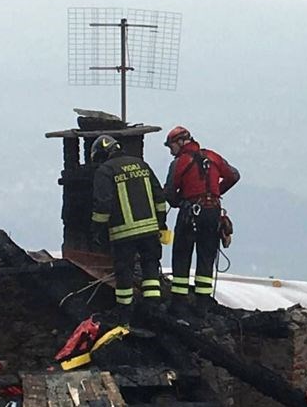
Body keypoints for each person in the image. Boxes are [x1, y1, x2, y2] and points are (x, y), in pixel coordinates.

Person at [90, 134, 167, 323]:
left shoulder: (105, 171)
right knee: (150, 269)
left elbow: (103, 205)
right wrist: (161, 223)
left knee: (124, 273)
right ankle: (153, 310)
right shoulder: (141, 165)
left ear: (102, 153)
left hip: (123, 233)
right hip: (150, 230)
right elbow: (160, 197)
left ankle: (124, 313)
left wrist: (96, 230)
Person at [163, 126, 239, 307]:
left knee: (182, 255)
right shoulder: (212, 157)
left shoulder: (179, 162)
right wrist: (215, 193)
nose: (170, 151)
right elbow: (233, 175)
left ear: (180, 142)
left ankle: (179, 304)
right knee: (206, 256)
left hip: (190, 212)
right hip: (212, 212)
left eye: (171, 146)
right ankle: (203, 304)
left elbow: (170, 193)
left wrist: (181, 201)